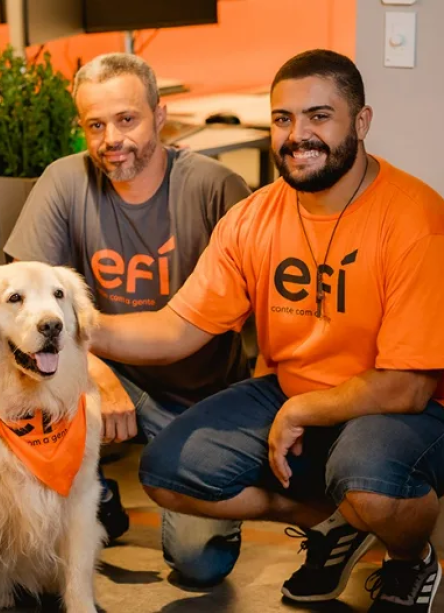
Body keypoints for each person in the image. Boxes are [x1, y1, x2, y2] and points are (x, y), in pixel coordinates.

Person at [92, 49, 444, 612]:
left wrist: (301, 412)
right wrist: (80, 332)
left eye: (318, 117)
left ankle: (410, 558)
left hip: (396, 409)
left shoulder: (416, 218)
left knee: (368, 482)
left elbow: (408, 386)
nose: (297, 135)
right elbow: (176, 329)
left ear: (362, 122)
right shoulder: (255, 216)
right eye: (283, 119)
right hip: (291, 387)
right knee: (167, 471)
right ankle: (339, 524)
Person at [4, 52, 252, 579]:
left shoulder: (216, 188)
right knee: (13, 373)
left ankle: (109, 487)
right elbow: (22, 304)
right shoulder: (65, 182)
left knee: (198, 562)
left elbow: (256, 318)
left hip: (198, 399)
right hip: (97, 377)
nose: (111, 138)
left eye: (126, 119)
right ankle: (88, 490)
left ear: (160, 117)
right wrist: (96, 373)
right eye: (96, 124)